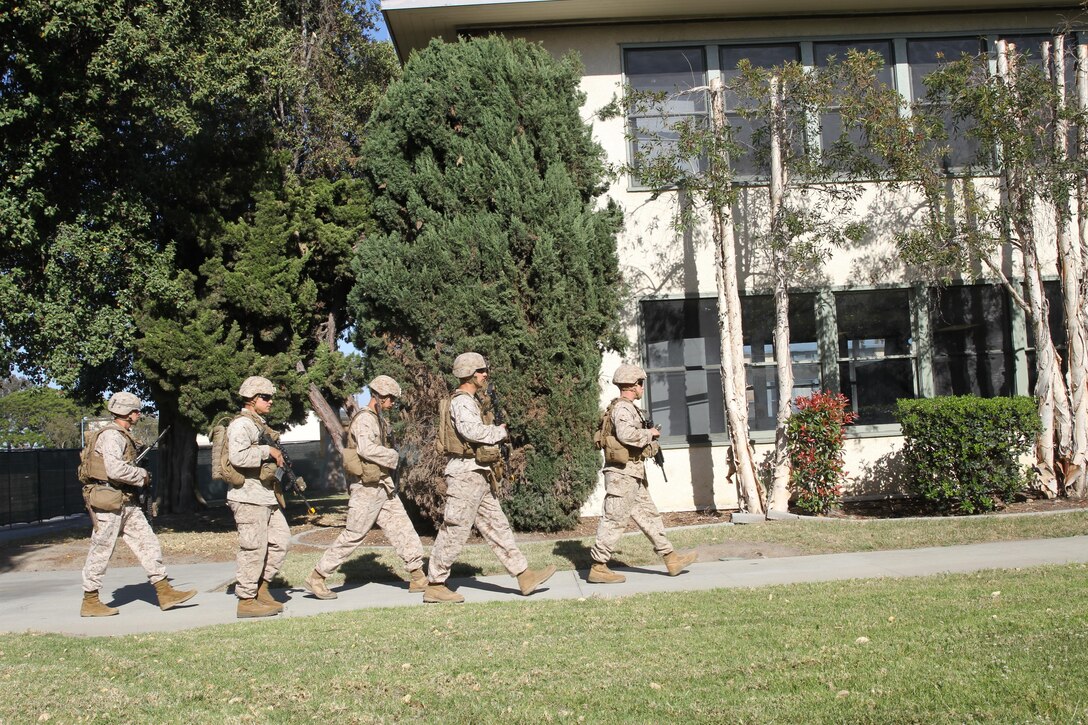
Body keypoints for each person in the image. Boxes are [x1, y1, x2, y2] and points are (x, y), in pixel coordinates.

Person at [425, 352, 556, 603]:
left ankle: (523, 574)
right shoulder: (462, 401)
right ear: (470, 375)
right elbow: (470, 430)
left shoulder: (471, 400)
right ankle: (435, 583)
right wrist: (498, 432)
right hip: (465, 475)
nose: (486, 375)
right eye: (481, 371)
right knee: (455, 529)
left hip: (479, 474)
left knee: (498, 526)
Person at [303, 375, 427, 599]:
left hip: (382, 485)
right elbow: (366, 449)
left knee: (402, 528)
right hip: (366, 488)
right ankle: (317, 576)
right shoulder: (365, 419)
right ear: (378, 396)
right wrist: (394, 456)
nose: (392, 403)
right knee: (354, 535)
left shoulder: (378, 419)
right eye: (389, 398)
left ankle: (418, 575)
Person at [80, 392, 196, 617]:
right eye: (136, 411)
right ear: (128, 413)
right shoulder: (112, 437)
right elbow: (114, 470)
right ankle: (90, 600)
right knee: (101, 549)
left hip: (125, 500)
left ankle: (164, 591)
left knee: (148, 542)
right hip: (109, 500)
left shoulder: (122, 435)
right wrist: (141, 474)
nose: (138, 415)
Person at [588, 364, 697, 584]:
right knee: (614, 519)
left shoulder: (628, 408)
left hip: (633, 474)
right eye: (640, 383)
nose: (642, 388)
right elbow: (627, 435)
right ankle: (598, 566)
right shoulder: (622, 408)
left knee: (649, 516)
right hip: (622, 475)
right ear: (631, 384)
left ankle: (671, 558)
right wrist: (650, 433)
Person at [226, 376, 290, 618]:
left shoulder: (258, 424)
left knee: (281, 541)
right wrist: (267, 450)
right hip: (247, 496)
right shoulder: (241, 425)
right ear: (252, 400)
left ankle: (261, 588)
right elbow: (238, 457)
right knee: (253, 547)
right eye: (265, 397)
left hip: (265, 496)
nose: (270, 401)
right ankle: (246, 599)